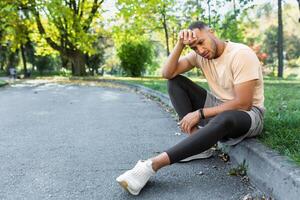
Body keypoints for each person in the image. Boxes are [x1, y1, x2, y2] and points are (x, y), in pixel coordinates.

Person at [116, 21, 265, 196]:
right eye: (194, 48)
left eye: (201, 42)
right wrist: (180, 44)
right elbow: (167, 73)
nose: (200, 51)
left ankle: (151, 165)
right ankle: (200, 146)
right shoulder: (200, 56)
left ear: (211, 31)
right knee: (175, 82)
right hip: (219, 105)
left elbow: (243, 103)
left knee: (225, 118)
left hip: (248, 115)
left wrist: (201, 113)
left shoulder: (240, 54)